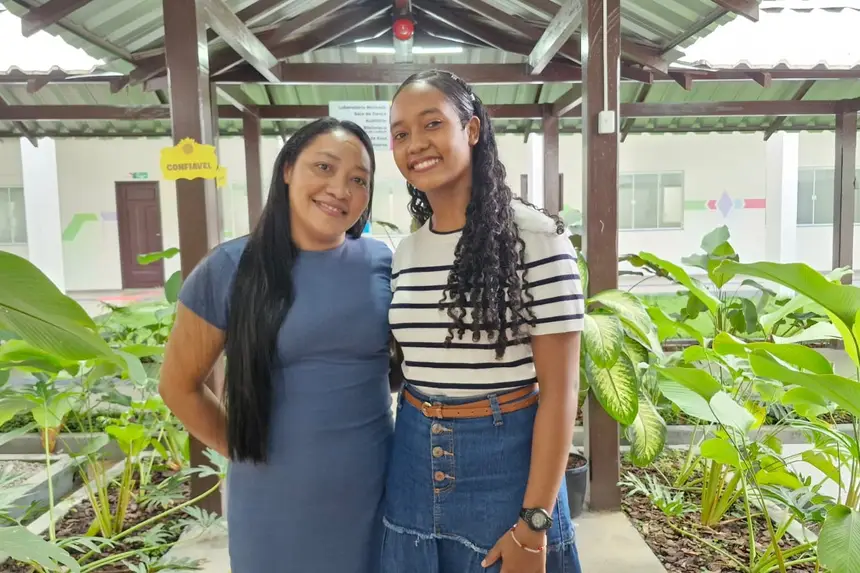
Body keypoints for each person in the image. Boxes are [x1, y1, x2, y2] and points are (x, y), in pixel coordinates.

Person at [158, 118, 395, 572]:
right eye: (323, 167)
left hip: (376, 488)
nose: (339, 189)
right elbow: (178, 385)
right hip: (273, 498)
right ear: (287, 169)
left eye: (357, 179)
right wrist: (243, 445)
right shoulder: (230, 267)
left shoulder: (381, 262)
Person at [382, 70, 585, 573]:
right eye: (401, 133)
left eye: (432, 124)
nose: (416, 144)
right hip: (411, 452)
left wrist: (534, 523)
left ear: (471, 131)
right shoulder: (407, 251)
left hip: (505, 461)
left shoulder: (536, 237)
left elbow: (560, 391)